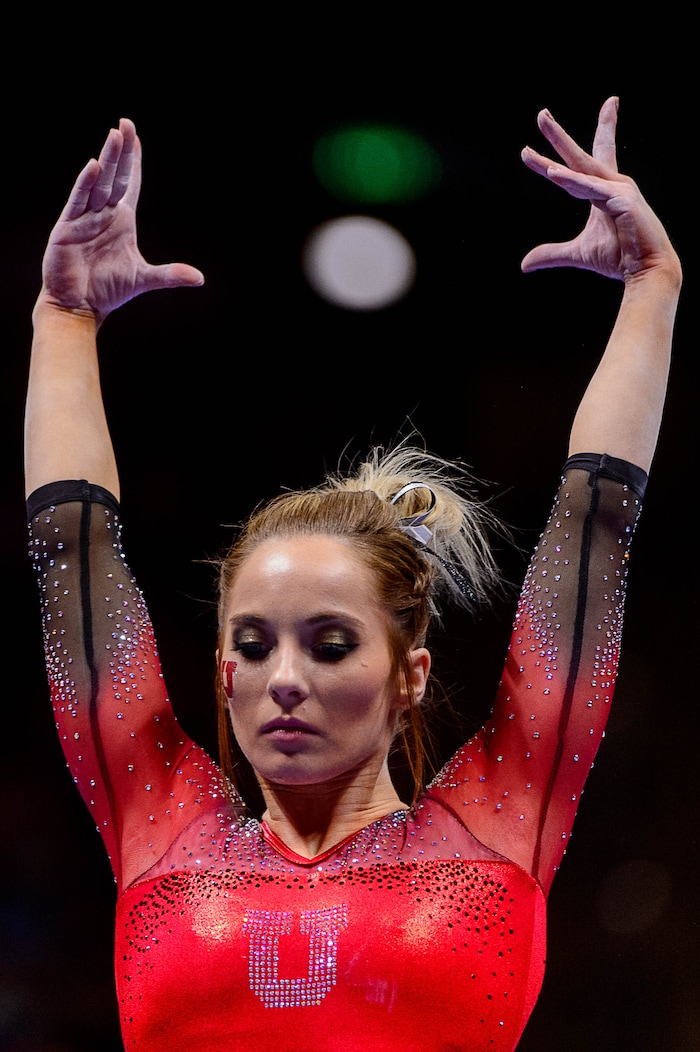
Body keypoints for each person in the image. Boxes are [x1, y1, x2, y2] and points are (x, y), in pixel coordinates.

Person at [24, 97, 681, 1052]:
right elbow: (71, 556)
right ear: (222, 672)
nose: (284, 677)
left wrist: (653, 287)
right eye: (253, 645)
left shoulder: (494, 830)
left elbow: (597, 527)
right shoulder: (160, 829)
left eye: (331, 645)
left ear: (410, 675)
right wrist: (64, 317)